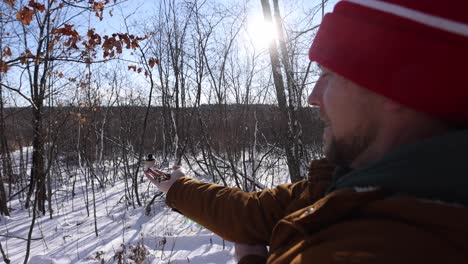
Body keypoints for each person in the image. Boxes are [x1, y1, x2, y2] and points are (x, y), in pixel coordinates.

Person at [145, 0, 468, 263]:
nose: (312, 97)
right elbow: (252, 212)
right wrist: (178, 187)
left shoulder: (378, 244)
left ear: (400, 90)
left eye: (328, 75)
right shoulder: (347, 182)